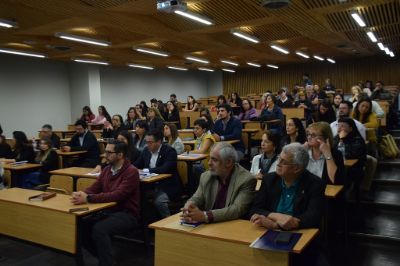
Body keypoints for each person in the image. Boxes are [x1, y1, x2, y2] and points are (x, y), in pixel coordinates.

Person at [71, 140, 140, 266]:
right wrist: (81, 194)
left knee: (100, 229)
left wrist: (89, 198)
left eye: (109, 152)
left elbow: (118, 195)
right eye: (105, 152)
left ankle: (106, 262)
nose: (105, 155)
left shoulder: (131, 171)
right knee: (80, 226)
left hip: (127, 213)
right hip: (108, 211)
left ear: (120, 155)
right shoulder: (107, 169)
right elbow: (94, 188)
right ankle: (106, 259)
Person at [250, 142, 325, 230]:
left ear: (297, 168)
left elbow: (312, 217)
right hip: (268, 229)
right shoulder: (269, 179)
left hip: (300, 232)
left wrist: (276, 225)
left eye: (284, 162)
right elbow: (254, 209)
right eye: (279, 158)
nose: (278, 163)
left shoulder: (315, 183)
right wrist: (275, 216)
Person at [181, 142, 256, 224]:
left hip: (232, 226)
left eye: (214, 160)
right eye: (209, 158)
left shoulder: (246, 180)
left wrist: (205, 216)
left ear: (228, 162)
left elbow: (237, 210)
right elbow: (197, 198)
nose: (209, 163)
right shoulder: (206, 176)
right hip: (209, 226)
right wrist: (189, 207)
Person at [133, 129, 182, 218]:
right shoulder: (146, 151)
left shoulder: (170, 151)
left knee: (159, 201)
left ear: (159, 141)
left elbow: (165, 169)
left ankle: (167, 221)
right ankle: (146, 223)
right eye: (146, 142)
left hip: (167, 186)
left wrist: (145, 170)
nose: (147, 145)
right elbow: (136, 164)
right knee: (137, 197)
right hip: (149, 186)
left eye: (150, 142)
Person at [333, 118, 367, 199]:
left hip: (355, 168)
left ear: (351, 128)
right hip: (340, 166)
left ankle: (343, 198)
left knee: (342, 176)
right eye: (338, 126)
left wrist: (342, 140)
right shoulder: (336, 137)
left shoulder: (357, 139)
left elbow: (350, 155)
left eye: (343, 126)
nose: (340, 128)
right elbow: (332, 150)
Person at [187, 119, 216, 195]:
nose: (195, 130)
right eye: (194, 128)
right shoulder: (198, 139)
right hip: (200, 162)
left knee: (193, 168)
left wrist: (188, 152)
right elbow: (196, 152)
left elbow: (202, 151)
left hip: (209, 164)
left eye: (197, 128)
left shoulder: (208, 137)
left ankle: (198, 190)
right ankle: (191, 190)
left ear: (204, 129)